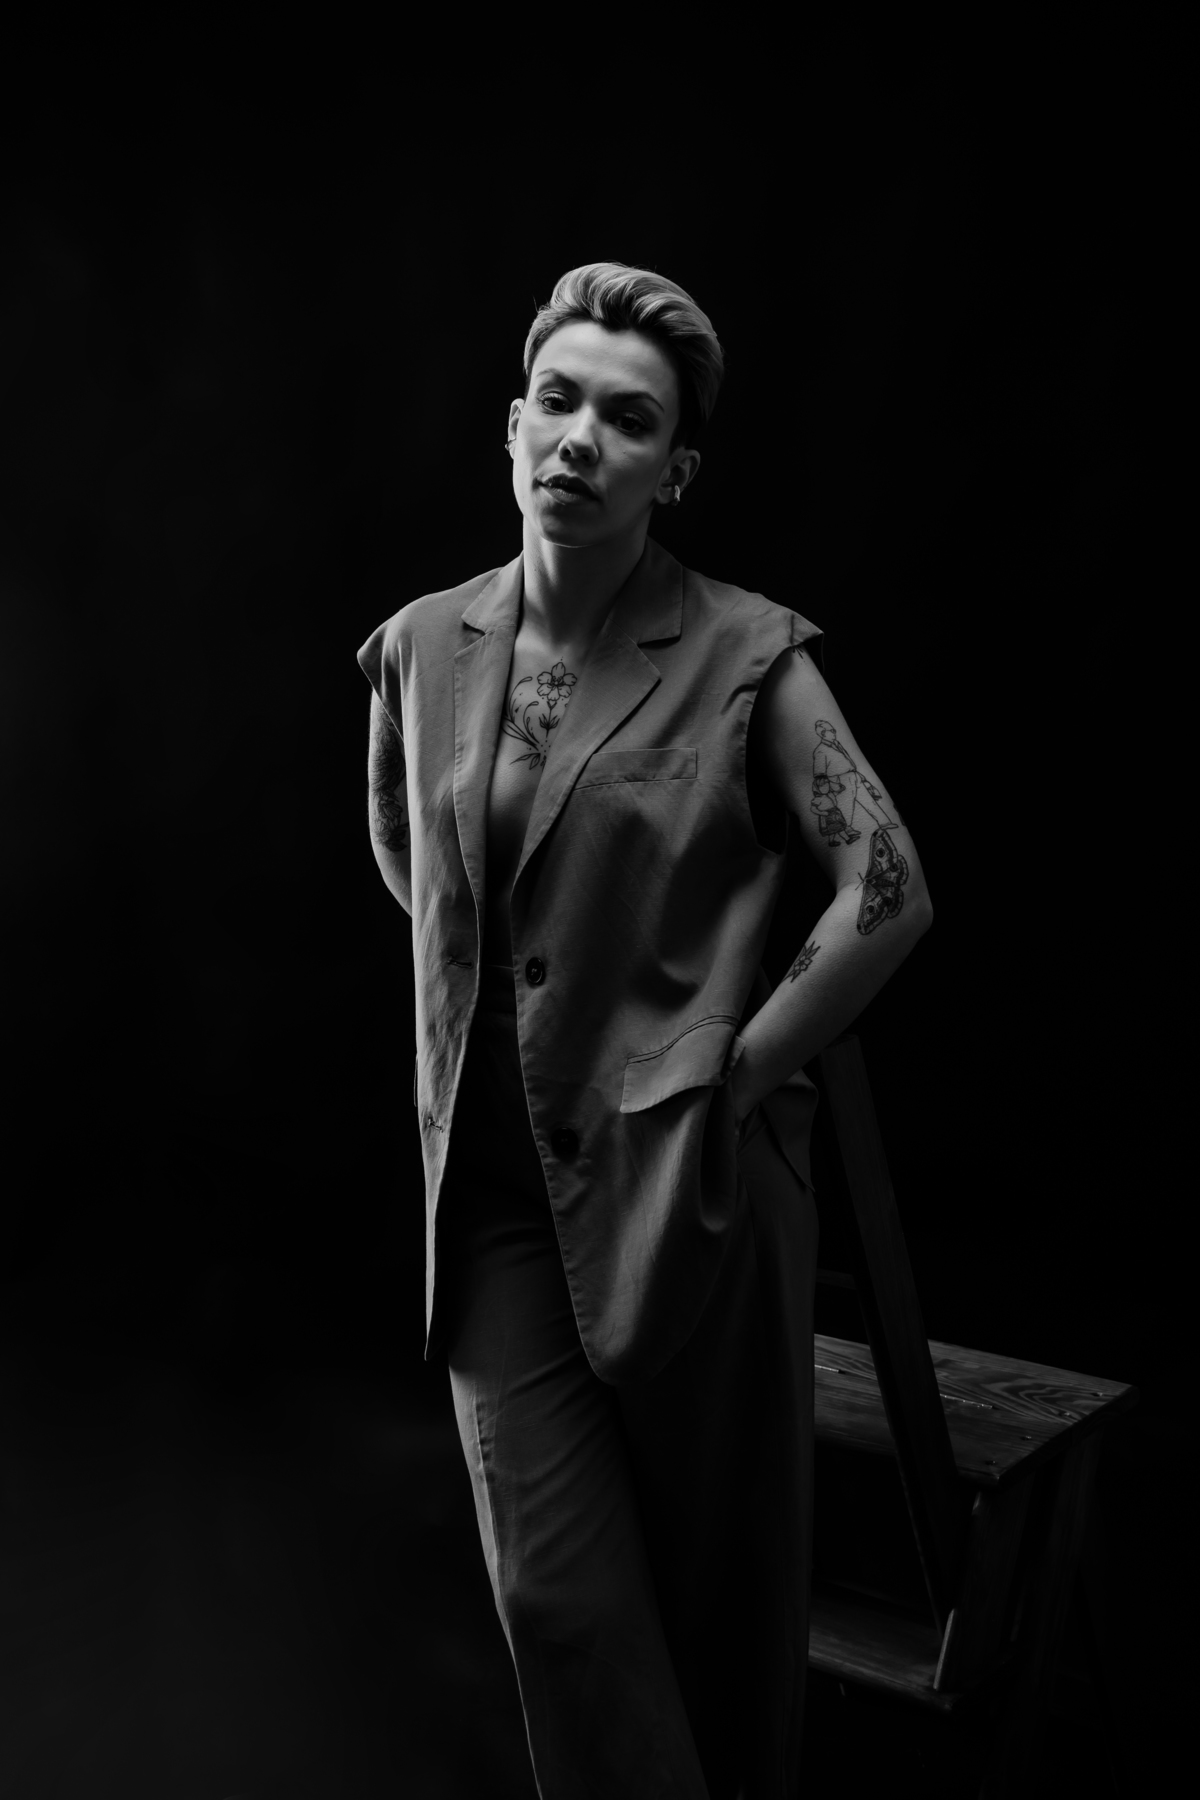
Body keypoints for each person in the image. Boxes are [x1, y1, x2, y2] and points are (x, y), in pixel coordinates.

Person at [358, 262, 932, 1799]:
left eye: (627, 419)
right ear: (512, 426)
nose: (581, 440)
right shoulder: (419, 646)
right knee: (558, 1600)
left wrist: (734, 1072)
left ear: (672, 471)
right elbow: (417, 868)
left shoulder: (749, 655)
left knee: (720, 1612)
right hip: (497, 1202)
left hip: (691, 1193)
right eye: (558, 402)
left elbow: (887, 888)